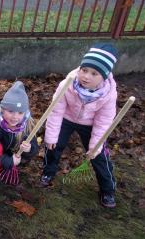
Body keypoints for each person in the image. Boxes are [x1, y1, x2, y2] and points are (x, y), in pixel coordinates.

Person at [42, 43, 119, 208]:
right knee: (53, 145)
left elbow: (104, 121)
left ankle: (108, 189)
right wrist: (51, 136)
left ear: (104, 76)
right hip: (66, 118)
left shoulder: (108, 94)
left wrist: (94, 147)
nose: (86, 76)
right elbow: (56, 111)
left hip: (91, 124)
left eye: (94, 73)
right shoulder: (67, 84)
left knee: (99, 156)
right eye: (84, 70)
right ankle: (48, 173)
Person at [0, 81, 38, 183]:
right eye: (11, 111)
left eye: (20, 112)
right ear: (2, 109)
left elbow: (34, 149)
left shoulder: (26, 124)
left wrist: (29, 149)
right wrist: (8, 161)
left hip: (12, 157)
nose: (15, 117)